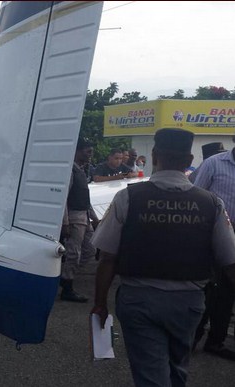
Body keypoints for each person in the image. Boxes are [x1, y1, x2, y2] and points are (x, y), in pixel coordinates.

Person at [90, 128, 235, 386]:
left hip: (138, 300)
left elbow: (108, 257)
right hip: (189, 303)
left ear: (155, 155)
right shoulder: (212, 203)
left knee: (150, 374)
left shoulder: (128, 197)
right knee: (178, 367)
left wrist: (100, 304)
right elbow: (229, 259)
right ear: (190, 161)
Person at [191, 139, 235, 360]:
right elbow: (197, 197)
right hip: (213, 237)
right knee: (206, 289)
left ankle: (216, 341)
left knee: (227, 293)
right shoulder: (214, 164)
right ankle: (191, 338)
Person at [59, 138, 99, 302]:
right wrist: (65, 222)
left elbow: (85, 199)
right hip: (74, 217)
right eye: (87, 151)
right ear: (77, 151)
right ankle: (67, 287)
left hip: (84, 216)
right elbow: (63, 199)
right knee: (73, 253)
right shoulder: (70, 171)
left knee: (90, 250)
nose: (90, 155)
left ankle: (65, 277)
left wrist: (94, 218)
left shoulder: (81, 170)